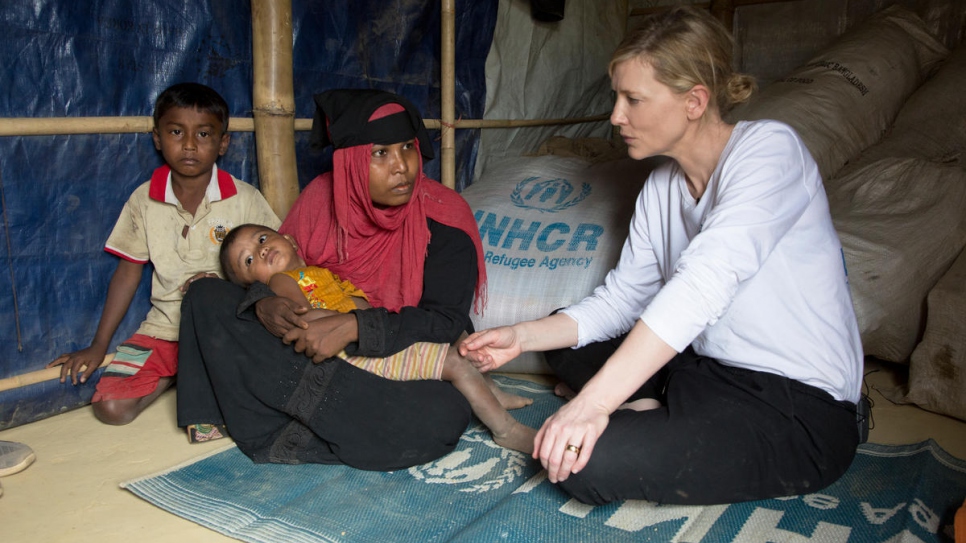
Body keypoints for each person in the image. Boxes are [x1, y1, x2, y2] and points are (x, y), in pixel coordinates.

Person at [460, 6, 865, 506]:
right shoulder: (662, 185)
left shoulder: (770, 152)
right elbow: (622, 301)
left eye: (633, 99)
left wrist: (592, 404)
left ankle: (647, 413)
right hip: (702, 371)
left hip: (792, 406)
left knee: (580, 461)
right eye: (616, 97)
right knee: (565, 336)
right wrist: (519, 337)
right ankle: (653, 408)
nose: (615, 116)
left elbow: (702, 285)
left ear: (694, 101)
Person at [175, 89, 501, 470]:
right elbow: (280, 268)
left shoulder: (445, 219)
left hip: (394, 365)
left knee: (443, 414)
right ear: (349, 161)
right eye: (380, 153)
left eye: (407, 148)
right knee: (205, 294)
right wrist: (265, 303)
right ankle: (325, 419)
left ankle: (290, 415)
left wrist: (354, 326)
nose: (402, 167)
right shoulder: (320, 200)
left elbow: (444, 323)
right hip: (315, 354)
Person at [47, 83, 281, 426]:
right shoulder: (144, 199)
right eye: (176, 131)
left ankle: (200, 369)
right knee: (112, 409)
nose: (189, 144)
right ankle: (180, 369)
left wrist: (221, 286)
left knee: (245, 406)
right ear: (158, 138)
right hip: (165, 329)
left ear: (223, 143)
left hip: (228, 326)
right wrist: (98, 345)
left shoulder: (244, 198)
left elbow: (276, 265)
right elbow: (128, 273)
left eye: (203, 134)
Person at [219, 222, 536, 452]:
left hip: (374, 336)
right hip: (356, 352)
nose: (260, 251)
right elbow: (306, 323)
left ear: (288, 238)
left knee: (452, 333)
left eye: (262, 238)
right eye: (249, 261)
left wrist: (374, 324)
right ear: (251, 284)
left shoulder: (320, 272)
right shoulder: (282, 282)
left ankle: (490, 390)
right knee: (453, 361)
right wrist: (355, 324)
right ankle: (505, 429)